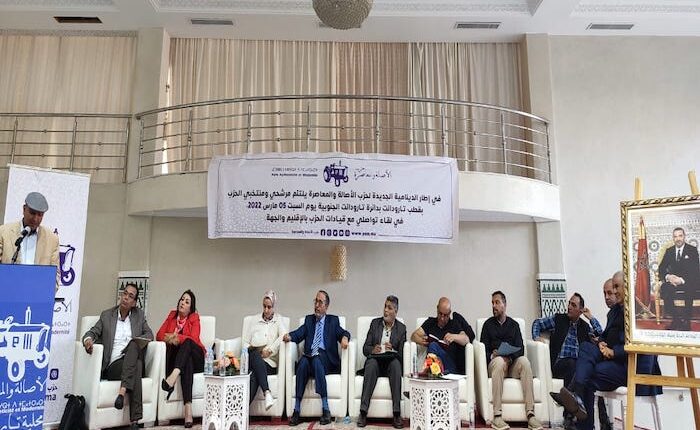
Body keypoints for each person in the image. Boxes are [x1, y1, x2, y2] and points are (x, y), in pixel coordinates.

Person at [554, 276, 627, 430]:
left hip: (624, 363)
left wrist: (613, 351)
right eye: (605, 293)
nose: (609, 296)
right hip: (570, 362)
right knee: (586, 347)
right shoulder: (613, 312)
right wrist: (601, 343)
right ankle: (577, 397)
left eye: (613, 290)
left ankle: (576, 399)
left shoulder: (631, 312)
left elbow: (630, 342)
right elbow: (605, 336)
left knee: (585, 370)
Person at [82, 283, 153, 430]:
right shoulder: (107, 315)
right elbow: (92, 332)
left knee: (134, 349)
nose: (126, 297)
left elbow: (149, 334)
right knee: (137, 365)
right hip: (113, 365)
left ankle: (123, 395)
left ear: (134, 302)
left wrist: (139, 341)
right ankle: (135, 420)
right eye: (125, 293)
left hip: (130, 360)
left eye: (130, 296)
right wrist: (88, 340)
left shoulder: (139, 316)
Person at [532, 293, 602, 429]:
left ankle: (581, 421)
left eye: (573, 305)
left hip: (575, 369)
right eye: (569, 303)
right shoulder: (558, 319)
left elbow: (600, 334)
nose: (569, 307)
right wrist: (536, 337)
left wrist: (591, 318)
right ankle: (569, 416)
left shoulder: (584, 327)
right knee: (573, 365)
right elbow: (537, 323)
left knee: (583, 371)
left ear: (580, 311)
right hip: (560, 364)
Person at [283, 290, 350, 426]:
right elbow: (299, 333)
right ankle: (297, 410)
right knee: (302, 363)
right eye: (316, 301)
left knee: (317, 359)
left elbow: (343, 332)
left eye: (320, 302)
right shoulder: (309, 320)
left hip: (326, 360)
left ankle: (326, 409)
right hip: (309, 358)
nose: (317, 305)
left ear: (326, 306)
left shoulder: (333, 321)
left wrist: (344, 338)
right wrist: (289, 336)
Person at [480, 291, 543, 430]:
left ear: (505, 304)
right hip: (495, 364)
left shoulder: (514, 325)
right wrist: (493, 356)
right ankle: (497, 416)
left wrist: (509, 357)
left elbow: (520, 348)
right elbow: (482, 350)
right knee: (499, 362)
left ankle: (531, 415)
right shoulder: (487, 325)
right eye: (492, 303)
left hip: (511, 363)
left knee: (525, 362)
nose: (494, 306)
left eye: (497, 302)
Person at [157, 290, 205, 428]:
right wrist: (173, 338)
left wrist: (175, 337)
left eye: (187, 301)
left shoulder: (194, 318)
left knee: (188, 344)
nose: (182, 303)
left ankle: (172, 377)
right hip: (181, 360)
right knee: (186, 362)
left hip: (197, 357)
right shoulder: (172, 315)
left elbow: (193, 339)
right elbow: (159, 335)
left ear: (191, 308)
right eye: (182, 299)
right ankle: (188, 411)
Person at [357, 295, 406, 429]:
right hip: (376, 361)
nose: (385, 310)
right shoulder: (375, 324)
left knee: (396, 365)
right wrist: (373, 349)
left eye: (389, 308)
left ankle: (396, 414)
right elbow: (365, 348)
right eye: (385, 306)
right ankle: (363, 412)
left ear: (395, 311)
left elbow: (402, 354)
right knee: (371, 364)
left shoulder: (401, 328)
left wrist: (393, 349)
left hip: (391, 362)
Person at [243, 290, 287, 409]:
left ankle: (241, 412)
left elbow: (284, 336)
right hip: (252, 358)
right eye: (264, 306)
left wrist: (270, 350)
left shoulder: (278, 320)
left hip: (269, 363)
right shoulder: (254, 320)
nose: (266, 310)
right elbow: (245, 342)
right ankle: (267, 392)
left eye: (269, 307)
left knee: (254, 376)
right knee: (254, 354)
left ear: (274, 307)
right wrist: (250, 348)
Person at [410, 297, 475, 375]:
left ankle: (432, 372)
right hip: (436, 362)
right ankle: (434, 371)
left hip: (450, 366)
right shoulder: (430, 323)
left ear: (449, 313)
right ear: (437, 309)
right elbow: (414, 335)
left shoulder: (454, 324)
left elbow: (466, 339)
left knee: (433, 345)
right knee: (433, 346)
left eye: (445, 315)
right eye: (440, 314)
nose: (442, 318)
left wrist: (454, 336)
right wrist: (422, 342)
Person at [0, 191, 59, 267]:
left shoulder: (52, 240)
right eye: (32, 213)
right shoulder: (3, 232)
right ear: (24, 209)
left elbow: (55, 273)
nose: (35, 219)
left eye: (40, 215)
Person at [658, 227, 700, 330]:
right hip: (673, 281)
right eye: (675, 236)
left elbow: (695, 271)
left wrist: (681, 280)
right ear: (673, 238)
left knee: (690, 287)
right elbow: (661, 268)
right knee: (665, 288)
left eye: (680, 236)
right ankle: (676, 319)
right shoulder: (669, 251)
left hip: (687, 281)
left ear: (684, 236)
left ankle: (686, 321)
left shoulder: (692, 250)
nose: (678, 239)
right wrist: (669, 277)